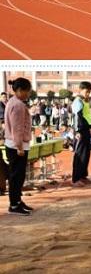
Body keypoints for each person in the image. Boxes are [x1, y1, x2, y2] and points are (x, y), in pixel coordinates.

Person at [4, 78, 34, 215]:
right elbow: (17, 128)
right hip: (17, 146)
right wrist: (19, 147)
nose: (28, 94)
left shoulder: (13, 102)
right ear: (20, 90)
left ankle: (17, 200)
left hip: (15, 144)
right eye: (27, 91)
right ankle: (14, 205)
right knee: (16, 177)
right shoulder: (18, 105)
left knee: (18, 176)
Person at [71, 81, 91, 187]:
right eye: (86, 91)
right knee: (79, 155)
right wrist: (78, 131)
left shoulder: (85, 101)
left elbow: (86, 116)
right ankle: (76, 179)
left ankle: (83, 176)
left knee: (86, 154)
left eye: (89, 92)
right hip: (80, 131)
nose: (88, 94)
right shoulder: (78, 101)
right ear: (80, 90)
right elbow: (77, 117)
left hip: (86, 130)